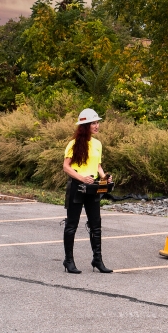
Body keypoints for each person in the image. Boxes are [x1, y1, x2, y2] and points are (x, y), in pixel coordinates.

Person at [62, 107, 114, 274]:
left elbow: (97, 165)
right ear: (85, 126)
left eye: (98, 123)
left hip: (92, 188)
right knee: (72, 225)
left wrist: (104, 176)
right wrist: (81, 177)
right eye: (94, 123)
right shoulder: (74, 144)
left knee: (96, 225)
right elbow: (66, 167)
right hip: (77, 187)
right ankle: (68, 261)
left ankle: (97, 259)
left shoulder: (97, 144)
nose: (97, 126)